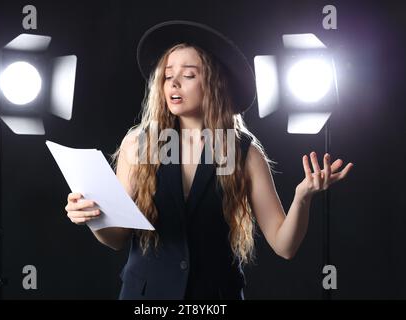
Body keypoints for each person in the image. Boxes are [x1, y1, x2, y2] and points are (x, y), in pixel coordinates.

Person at [64, 21, 353, 300]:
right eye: (167, 75)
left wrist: (302, 198)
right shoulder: (138, 144)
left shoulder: (244, 152)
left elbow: (284, 245)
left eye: (188, 75)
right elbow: (116, 238)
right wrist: (94, 218)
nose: (174, 83)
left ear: (214, 83)